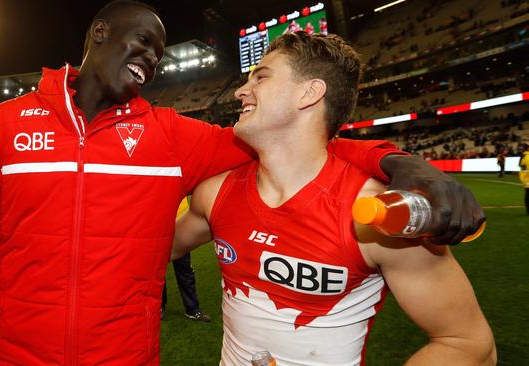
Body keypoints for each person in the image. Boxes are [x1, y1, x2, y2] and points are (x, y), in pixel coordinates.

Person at [0, 1, 486, 365]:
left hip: (125, 355)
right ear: (99, 34)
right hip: (18, 352)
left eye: (160, 53)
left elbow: (306, 148)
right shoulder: (5, 124)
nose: (152, 60)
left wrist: (399, 163)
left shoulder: (171, 136)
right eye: (144, 43)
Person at [172, 32, 495, 365]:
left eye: (261, 78)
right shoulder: (216, 193)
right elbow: (154, 247)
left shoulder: (376, 214)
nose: (241, 91)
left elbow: (467, 343)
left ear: (309, 93)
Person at [162, 198, 211, 322]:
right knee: (158, 271)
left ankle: (192, 309)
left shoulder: (180, 179)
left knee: (185, 270)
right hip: (159, 227)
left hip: (181, 226)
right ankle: (159, 307)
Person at [520, 145, 529, 215]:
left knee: (527, 195)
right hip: (528, 178)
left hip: (524, 179)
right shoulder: (528, 157)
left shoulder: (522, 157)